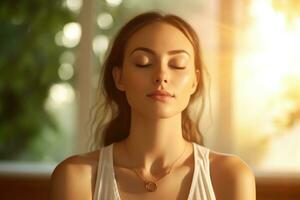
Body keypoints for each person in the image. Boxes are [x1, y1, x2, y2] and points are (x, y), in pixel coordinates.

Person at [49, 11, 256, 200]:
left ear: (194, 81)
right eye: (143, 62)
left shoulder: (230, 176)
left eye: (177, 64)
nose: (161, 76)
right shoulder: (76, 177)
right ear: (119, 77)